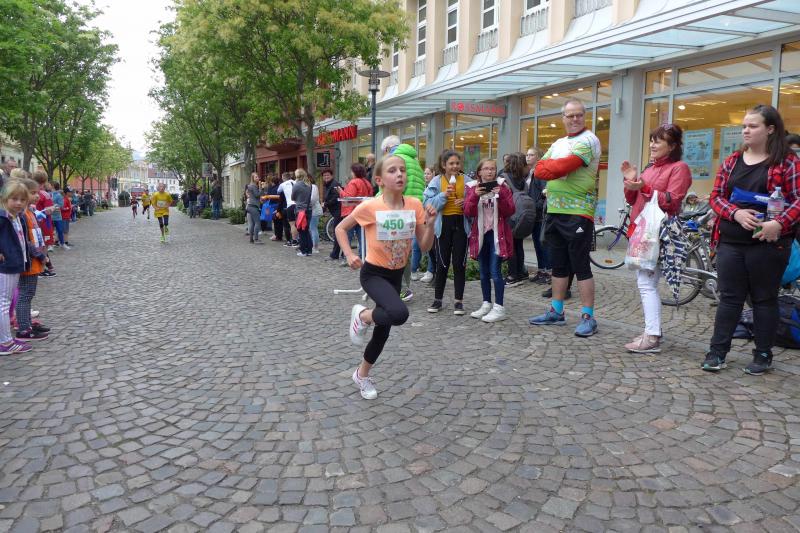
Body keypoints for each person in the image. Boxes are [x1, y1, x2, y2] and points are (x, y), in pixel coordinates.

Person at [702, 105, 800, 375]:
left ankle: (763, 354)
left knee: (764, 299)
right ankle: (717, 352)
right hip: (731, 242)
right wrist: (735, 213)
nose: (746, 130)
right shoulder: (732, 161)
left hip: (768, 244)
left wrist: (778, 223)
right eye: (744, 125)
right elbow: (716, 197)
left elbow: (798, 199)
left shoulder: (787, 162)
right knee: (729, 298)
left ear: (770, 129)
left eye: (753, 126)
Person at [335, 154, 436, 399]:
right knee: (399, 314)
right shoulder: (371, 206)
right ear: (379, 180)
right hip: (373, 274)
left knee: (384, 330)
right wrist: (349, 254)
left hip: (396, 275)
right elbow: (340, 228)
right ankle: (362, 315)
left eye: (402, 169)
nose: (400, 174)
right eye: (392, 170)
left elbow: (424, 246)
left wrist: (431, 224)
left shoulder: (414, 205)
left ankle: (361, 375)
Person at [530, 97, 602, 337]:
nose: (574, 119)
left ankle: (588, 317)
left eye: (579, 114)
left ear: (585, 116)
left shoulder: (589, 140)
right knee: (558, 265)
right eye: (570, 115)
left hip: (578, 213)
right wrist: (551, 167)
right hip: (555, 210)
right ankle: (556, 311)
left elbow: (563, 167)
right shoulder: (560, 142)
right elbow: (539, 170)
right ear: (563, 118)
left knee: (581, 266)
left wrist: (553, 167)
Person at [621, 124, 692, 353]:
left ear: (672, 146)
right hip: (643, 232)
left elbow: (672, 200)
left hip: (660, 233)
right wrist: (631, 182)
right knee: (645, 283)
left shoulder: (679, 168)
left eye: (658, 141)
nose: (652, 144)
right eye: (652, 140)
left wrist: (645, 187)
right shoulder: (650, 167)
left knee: (646, 283)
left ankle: (651, 336)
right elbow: (633, 200)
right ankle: (652, 332)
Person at [464, 159, 515, 322]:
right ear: (479, 172)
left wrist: (500, 196)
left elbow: (510, 211)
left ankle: (499, 307)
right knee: (483, 272)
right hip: (480, 235)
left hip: (497, 235)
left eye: (492, 168)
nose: (489, 171)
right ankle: (486, 303)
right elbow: (468, 211)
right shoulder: (472, 187)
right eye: (486, 168)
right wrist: (475, 196)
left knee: (495, 271)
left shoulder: (502, 186)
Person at [380, 135, 426, 303]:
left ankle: (399, 289)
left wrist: (377, 200)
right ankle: (404, 288)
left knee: (392, 251)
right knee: (404, 251)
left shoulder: (395, 160)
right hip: (413, 210)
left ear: (387, 149)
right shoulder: (414, 161)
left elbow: (389, 188)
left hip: (397, 210)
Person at [424, 150, 470, 315]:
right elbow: (427, 203)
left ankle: (459, 301)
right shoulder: (437, 181)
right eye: (451, 163)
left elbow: (474, 203)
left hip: (461, 224)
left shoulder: (467, 180)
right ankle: (438, 300)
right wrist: (443, 195)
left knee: (459, 264)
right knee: (442, 263)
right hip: (443, 225)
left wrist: (465, 202)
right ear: (444, 165)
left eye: (457, 163)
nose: (455, 166)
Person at [0, 179, 32, 355]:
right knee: (3, 303)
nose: (19, 203)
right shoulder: (3, 217)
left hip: (15, 263)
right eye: (14, 199)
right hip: (6, 265)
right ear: (5, 199)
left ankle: (6, 339)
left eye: (22, 199)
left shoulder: (16, 216)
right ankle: (5, 342)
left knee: (5, 302)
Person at [15, 178, 49, 341]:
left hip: (34, 259)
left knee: (28, 294)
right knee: (25, 294)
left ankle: (27, 323)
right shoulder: (22, 215)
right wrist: (40, 255)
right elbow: (25, 241)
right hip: (29, 260)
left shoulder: (30, 212)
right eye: (33, 193)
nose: (37, 196)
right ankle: (23, 328)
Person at [503, 152, 535, 287]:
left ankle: (512, 275)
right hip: (521, 217)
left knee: (511, 247)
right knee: (518, 245)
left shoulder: (504, 177)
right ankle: (521, 273)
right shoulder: (523, 180)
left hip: (509, 217)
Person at [338, 163, 374, 259]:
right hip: (363, 212)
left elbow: (348, 197)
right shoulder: (367, 182)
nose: (351, 173)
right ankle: (364, 255)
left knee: (347, 235)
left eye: (352, 171)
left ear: (354, 172)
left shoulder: (354, 182)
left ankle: (347, 256)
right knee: (362, 236)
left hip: (351, 212)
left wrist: (340, 191)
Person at [526, 147, 550, 284]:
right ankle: (541, 270)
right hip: (534, 214)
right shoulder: (531, 172)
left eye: (531, 155)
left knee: (542, 244)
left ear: (538, 157)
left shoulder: (540, 172)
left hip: (540, 215)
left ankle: (548, 272)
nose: (528, 157)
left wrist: (536, 206)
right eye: (527, 154)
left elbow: (545, 192)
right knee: (537, 244)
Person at [411, 166, 436, 283]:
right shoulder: (422, 187)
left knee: (431, 247)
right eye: (425, 173)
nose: (426, 176)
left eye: (428, 173)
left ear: (434, 174)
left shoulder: (435, 188)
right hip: (421, 220)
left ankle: (430, 271)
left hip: (430, 220)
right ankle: (414, 270)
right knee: (416, 246)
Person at [292, 168, 313, 257]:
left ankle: (303, 250)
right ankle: (309, 250)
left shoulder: (296, 185)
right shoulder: (309, 184)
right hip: (308, 209)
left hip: (300, 210)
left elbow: (292, 197)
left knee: (301, 230)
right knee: (306, 230)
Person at [323, 170, 343, 260]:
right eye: (324, 175)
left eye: (328, 175)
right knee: (338, 232)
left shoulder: (334, 184)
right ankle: (340, 254)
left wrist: (326, 204)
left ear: (332, 176)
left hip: (339, 211)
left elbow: (336, 197)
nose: (326, 177)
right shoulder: (328, 184)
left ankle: (335, 254)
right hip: (335, 211)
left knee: (337, 232)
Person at [277, 172, 297, 247]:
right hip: (298, 204)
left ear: (283, 178)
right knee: (298, 223)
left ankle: (293, 241)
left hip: (289, 205)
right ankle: (298, 240)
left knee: (292, 225)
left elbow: (278, 191)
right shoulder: (295, 182)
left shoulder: (282, 184)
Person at [245, 173, 263, 244]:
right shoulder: (254, 186)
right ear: (253, 178)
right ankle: (256, 239)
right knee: (257, 223)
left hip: (249, 206)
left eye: (258, 176)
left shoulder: (250, 186)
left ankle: (251, 239)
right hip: (253, 207)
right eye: (256, 177)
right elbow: (257, 195)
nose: (258, 178)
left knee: (252, 224)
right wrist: (261, 188)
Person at [309, 174, 323, 253]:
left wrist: (306, 204)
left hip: (314, 210)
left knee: (313, 228)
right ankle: (312, 245)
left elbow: (313, 199)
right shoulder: (309, 187)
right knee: (311, 228)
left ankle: (315, 247)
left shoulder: (313, 187)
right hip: (310, 210)